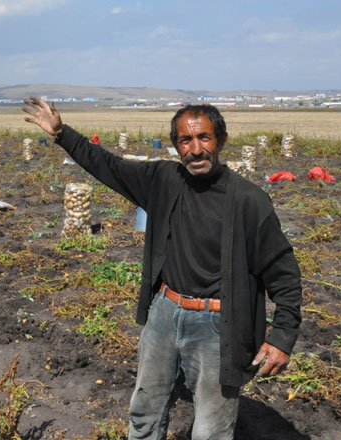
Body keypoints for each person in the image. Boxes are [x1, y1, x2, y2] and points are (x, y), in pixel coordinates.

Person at [22, 99, 302, 439]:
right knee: (145, 413)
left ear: (221, 141)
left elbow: (283, 272)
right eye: (186, 140)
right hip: (165, 314)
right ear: (176, 145)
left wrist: (282, 337)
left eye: (205, 138)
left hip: (218, 325)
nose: (196, 149)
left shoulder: (248, 201)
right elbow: (109, 166)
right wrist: (62, 133)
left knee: (210, 431)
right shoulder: (163, 180)